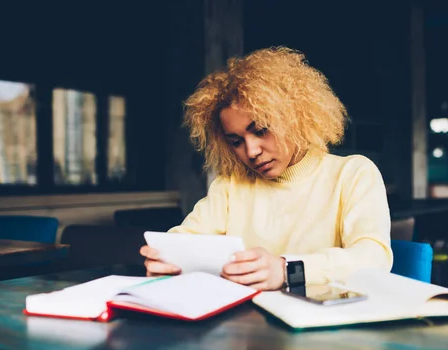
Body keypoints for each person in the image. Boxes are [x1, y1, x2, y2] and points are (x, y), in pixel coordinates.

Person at [140, 46, 393, 290]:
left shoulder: (353, 174)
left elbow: (374, 258)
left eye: (261, 131)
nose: (251, 151)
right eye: (236, 141)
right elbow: (187, 237)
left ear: (295, 117)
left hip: (325, 327)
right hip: (245, 328)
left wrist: (286, 270)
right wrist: (167, 259)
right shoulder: (231, 184)